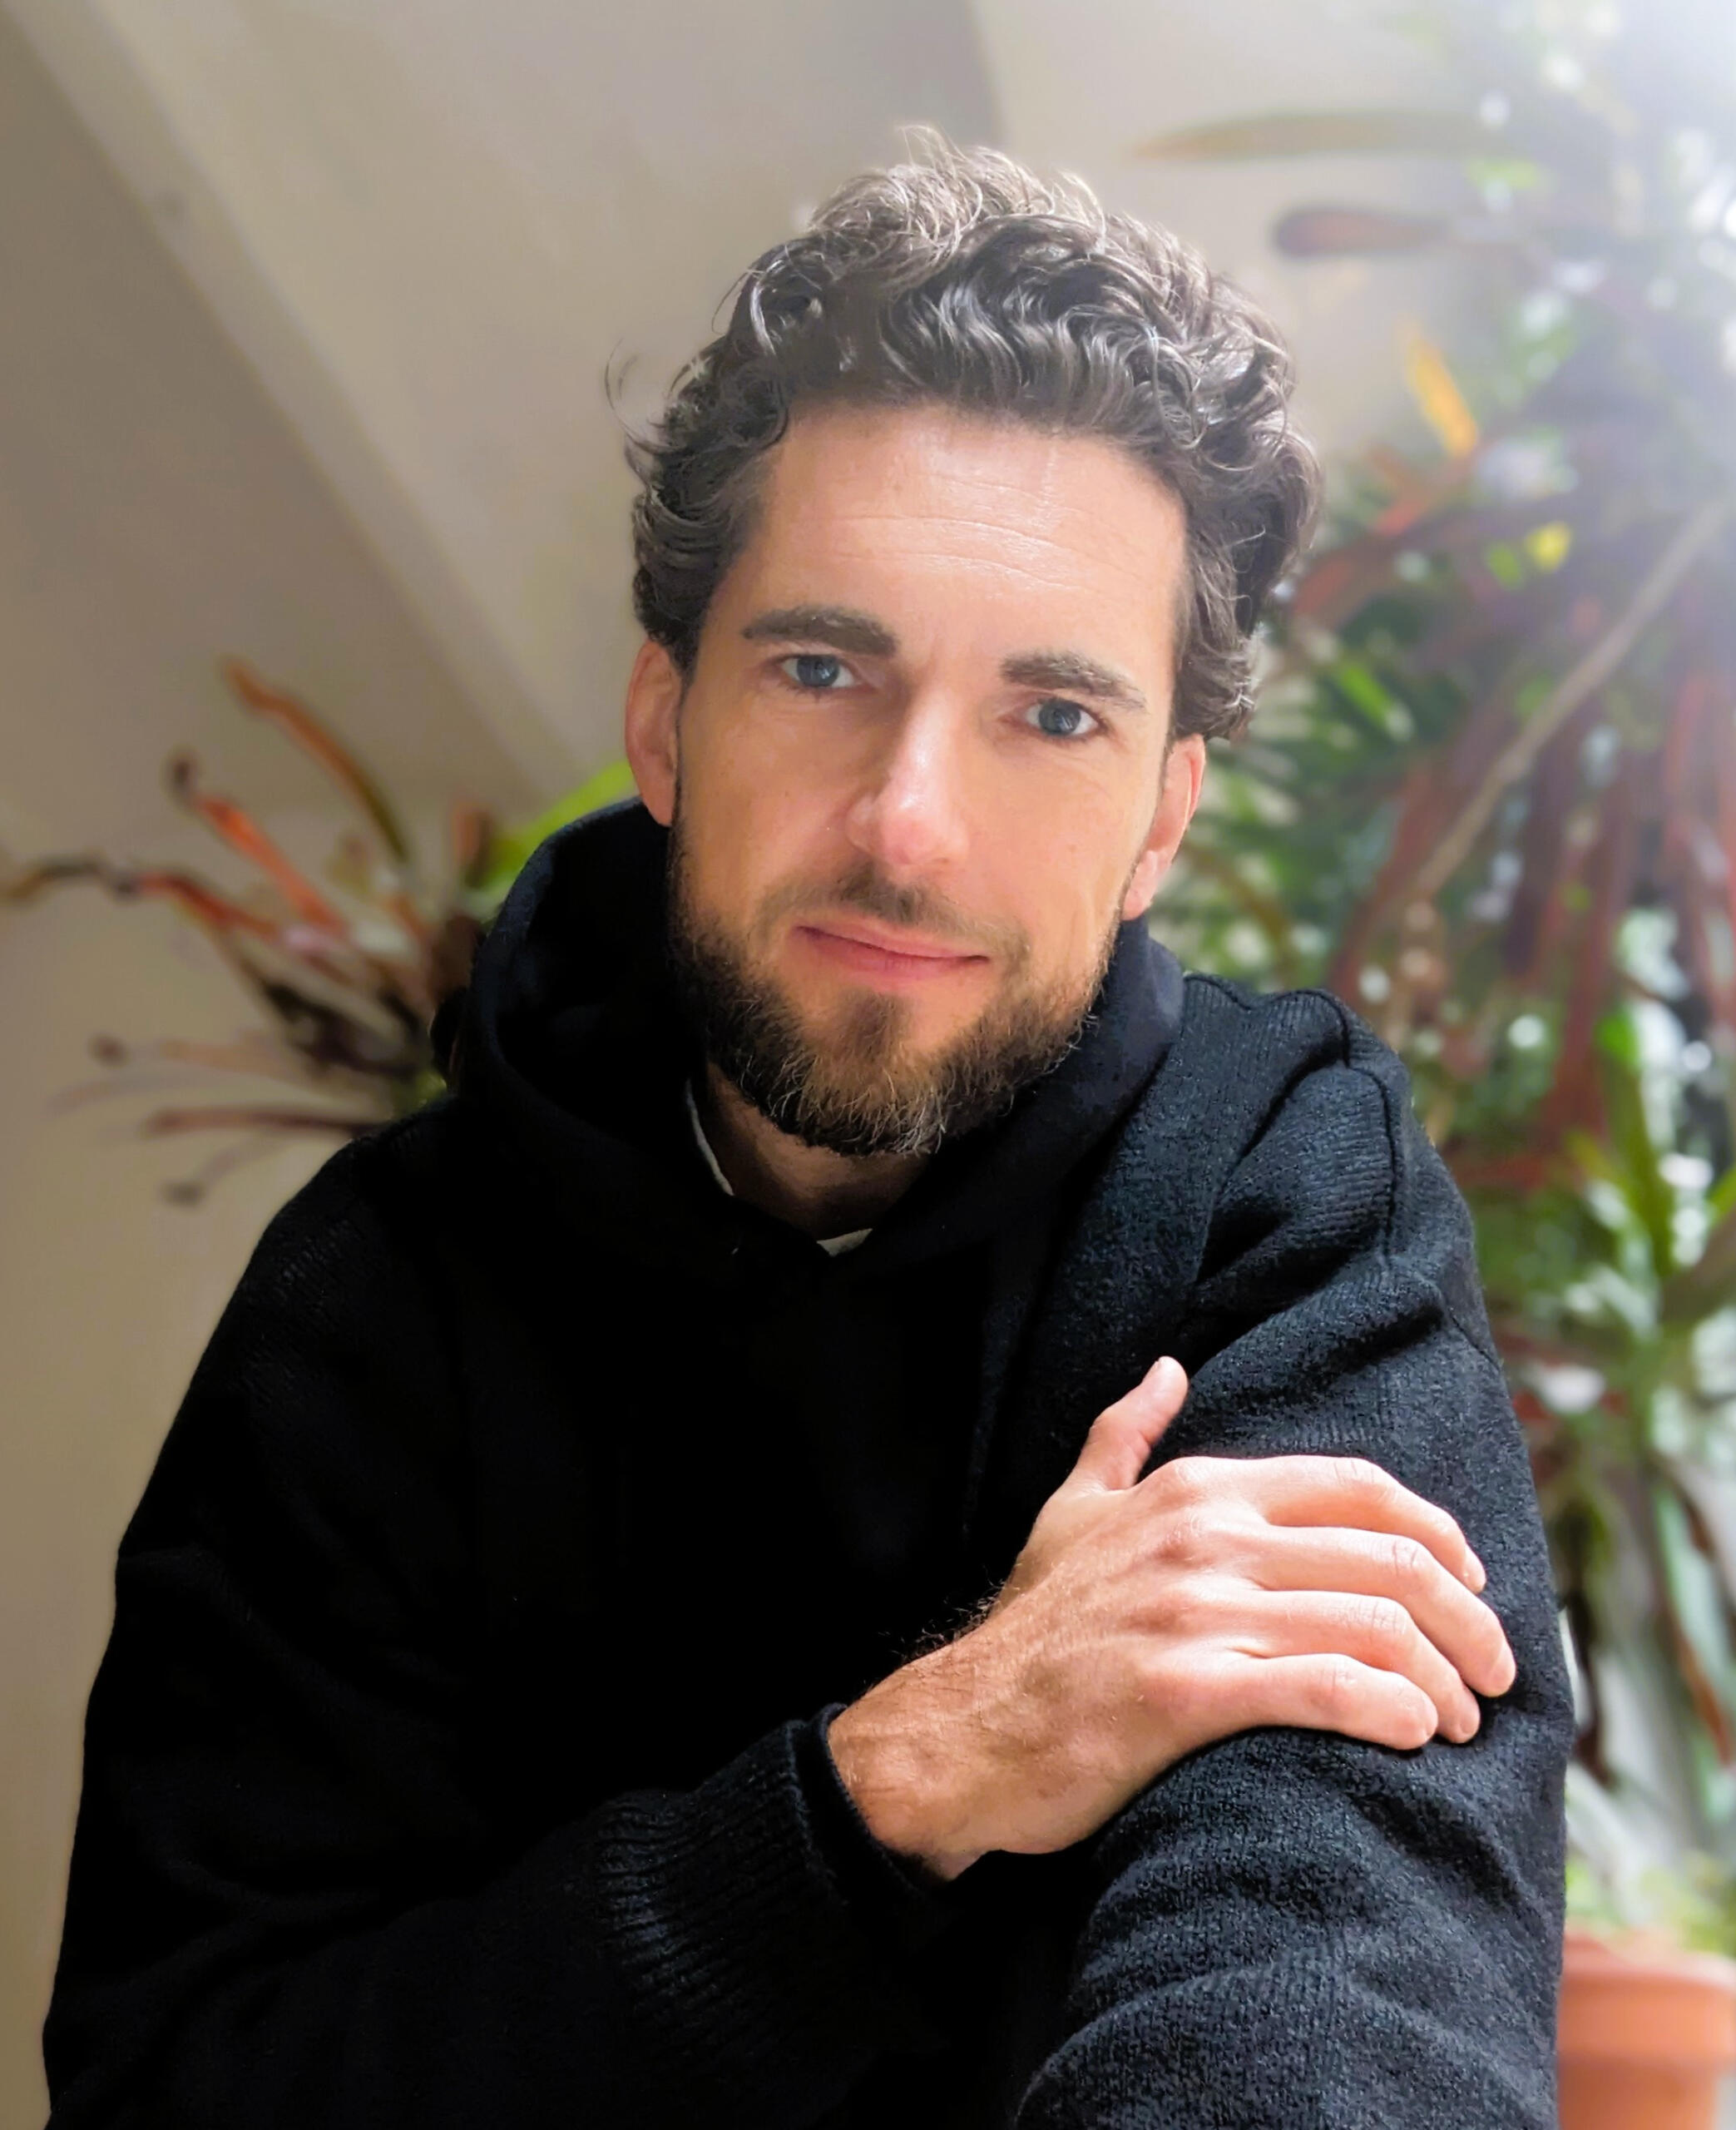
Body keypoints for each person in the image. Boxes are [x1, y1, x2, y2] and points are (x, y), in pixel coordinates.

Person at [44, 137, 1571, 2129]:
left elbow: (1339, 1969)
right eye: (825, 668)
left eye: (1054, 716)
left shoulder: (1281, 1199)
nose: (909, 824)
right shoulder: (376, 1300)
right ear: (666, 721)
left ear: (1164, 817)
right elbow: (187, 2075)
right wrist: (894, 1784)